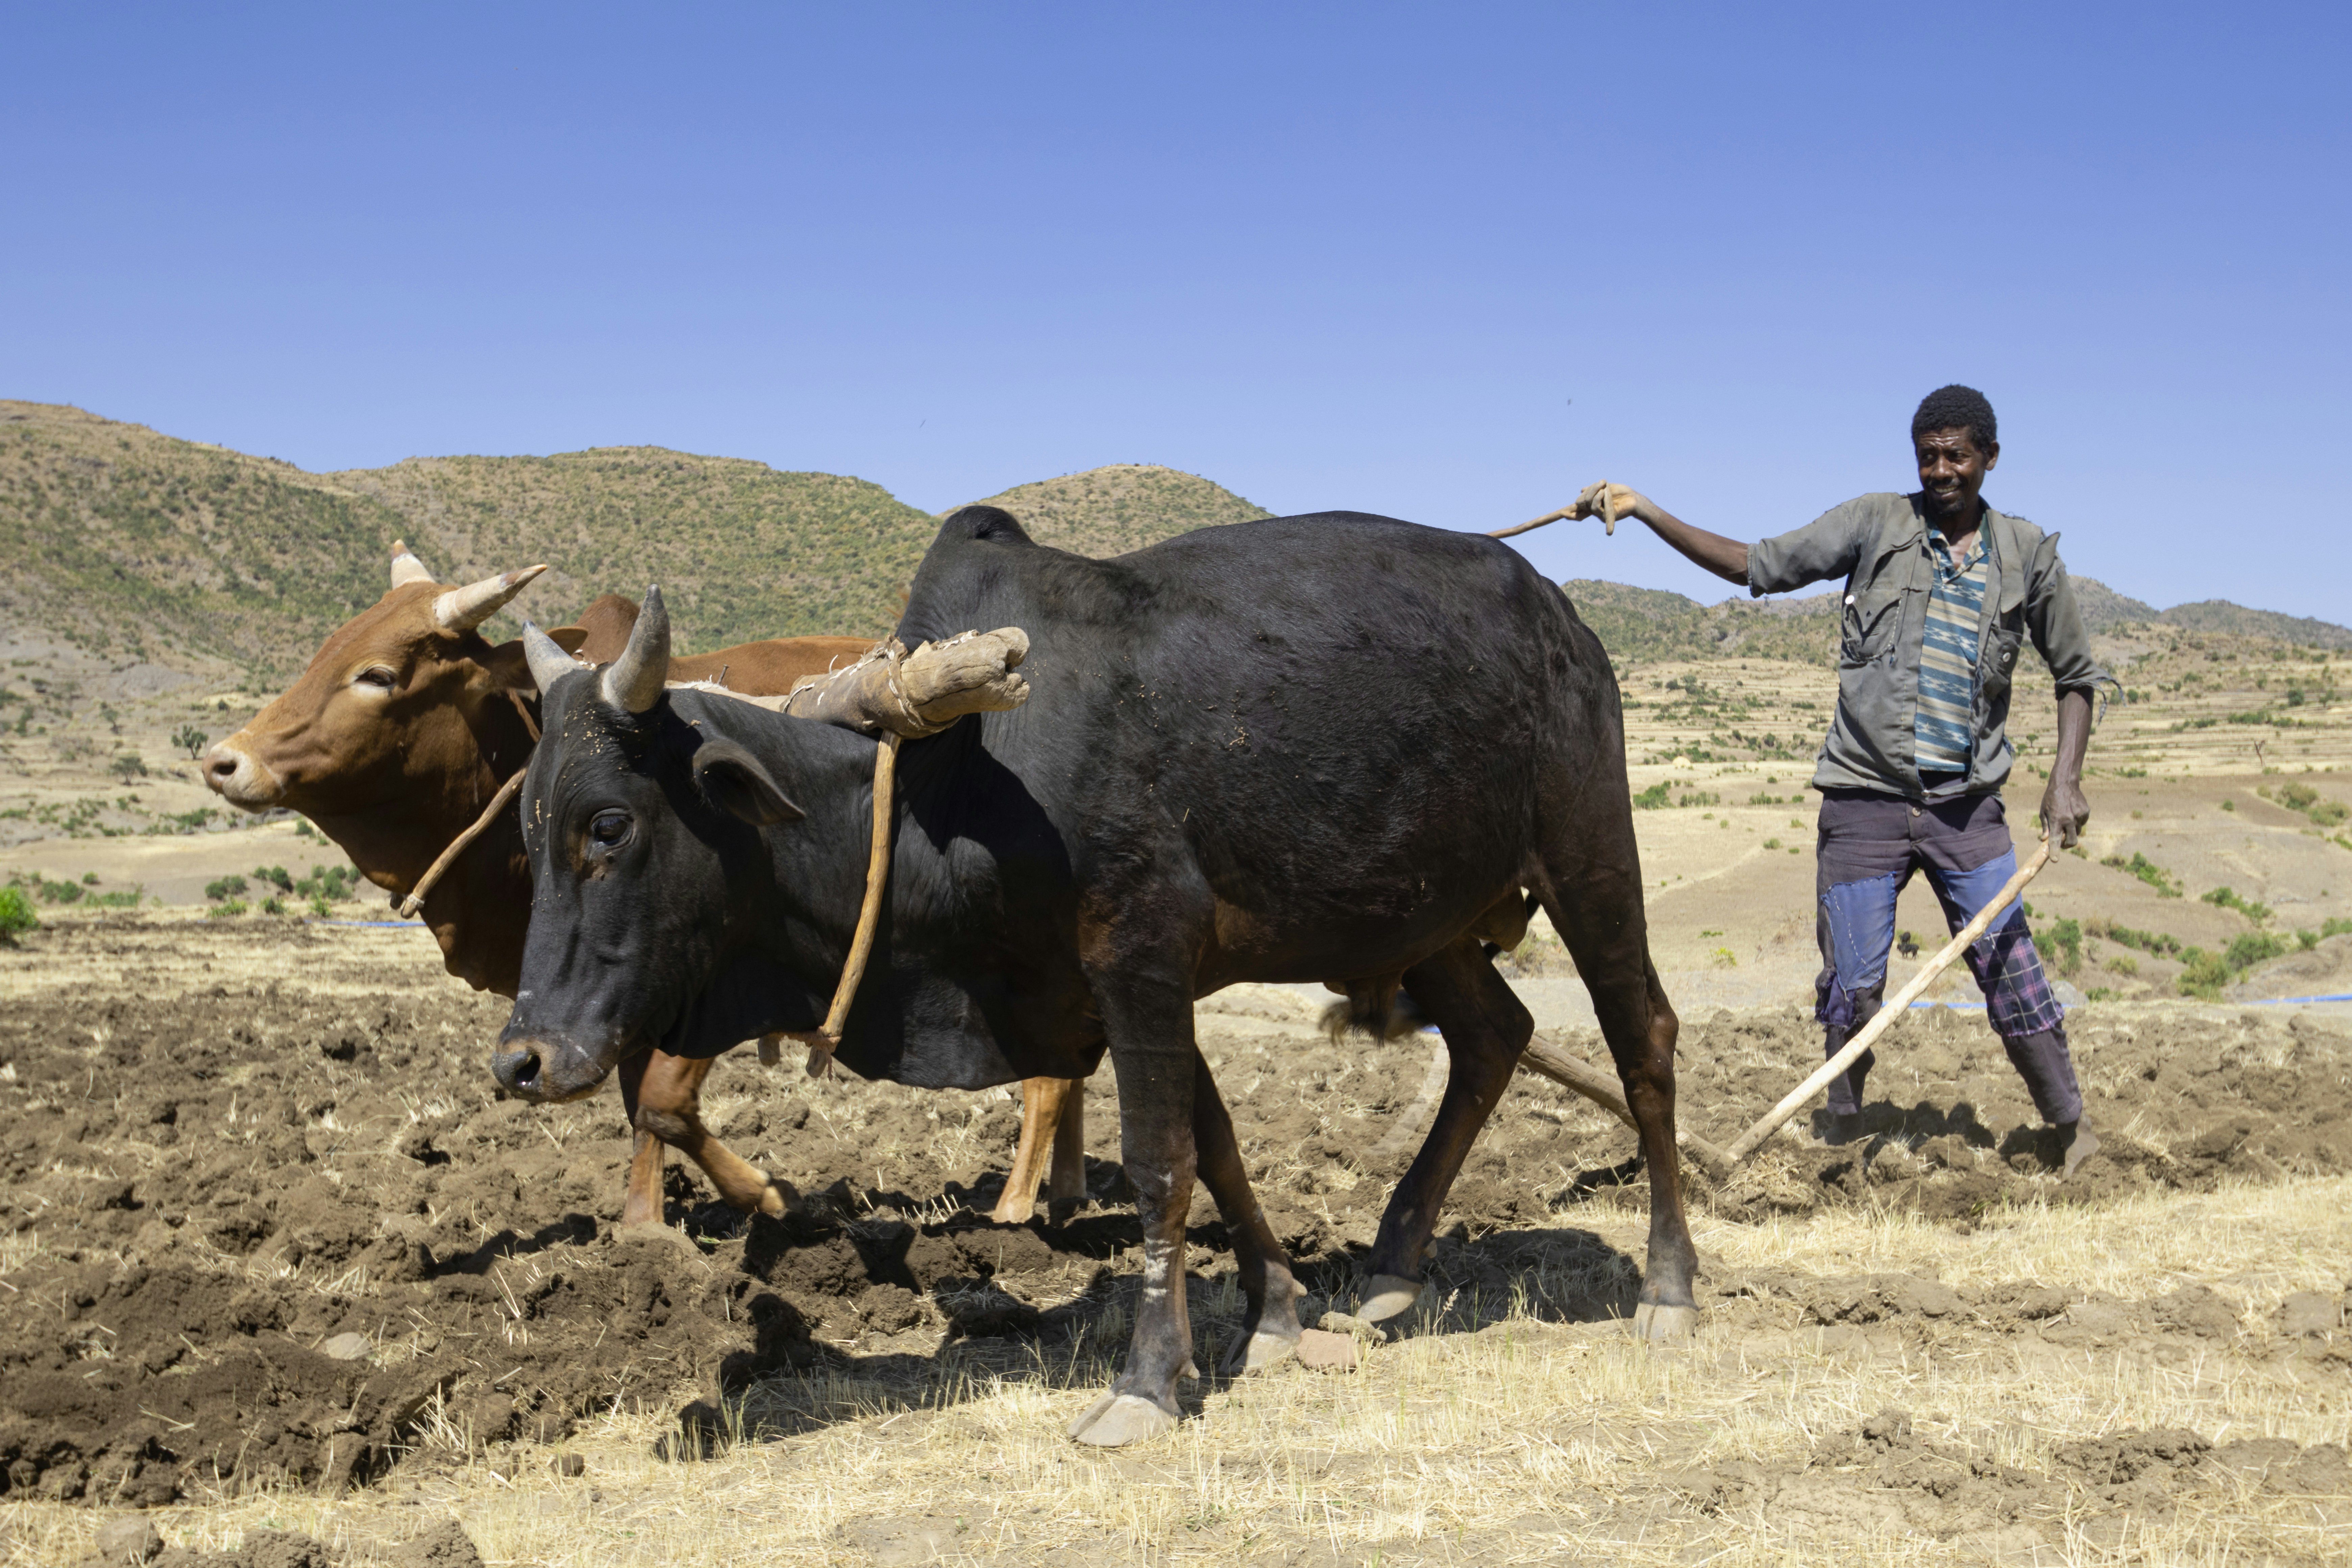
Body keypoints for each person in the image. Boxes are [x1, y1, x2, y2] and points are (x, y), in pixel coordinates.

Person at [1572, 385, 2113, 1176]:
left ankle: (2072, 1131)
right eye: (1928, 454)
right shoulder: (1874, 523)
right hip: (1863, 804)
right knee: (1853, 986)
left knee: (2012, 969)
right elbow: (1755, 565)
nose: (1940, 470)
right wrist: (1648, 511)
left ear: (1990, 458)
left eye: (1957, 455)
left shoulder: (2027, 553)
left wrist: (2066, 780)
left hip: (1969, 813)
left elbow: (2076, 675)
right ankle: (1844, 1134)